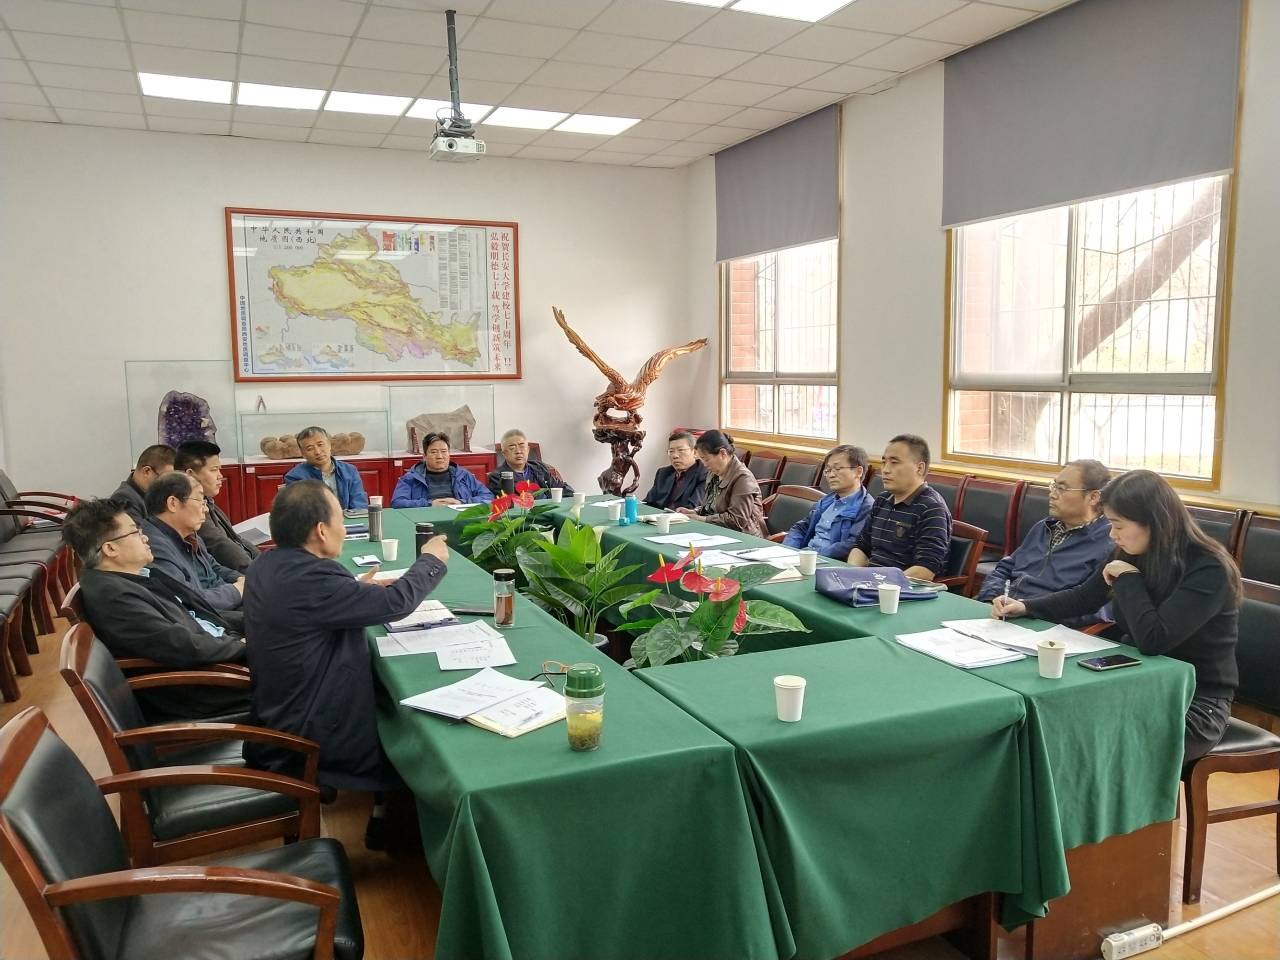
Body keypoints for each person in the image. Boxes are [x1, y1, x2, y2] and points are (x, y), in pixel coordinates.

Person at [243, 479, 450, 848]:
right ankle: (397, 832)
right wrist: (430, 561)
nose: (344, 528)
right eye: (340, 519)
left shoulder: (266, 564)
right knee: (408, 734)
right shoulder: (314, 578)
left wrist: (354, 591)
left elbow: (311, 603)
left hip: (276, 709)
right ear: (321, 530)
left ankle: (386, 816)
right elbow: (395, 604)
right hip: (308, 725)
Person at [993, 470, 1241, 762]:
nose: (1112, 534)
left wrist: (1129, 579)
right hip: (1135, 680)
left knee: (1098, 748)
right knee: (1059, 723)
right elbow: (1084, 597)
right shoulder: (1132, 551)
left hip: (1195, 701)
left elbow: (1154, 639)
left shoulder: (1208, 567)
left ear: (1153, 522)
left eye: (1118, 525)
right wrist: (1026, 606)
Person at [62, 498, 248, 722]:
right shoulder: (115, 597)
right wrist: (244, 646)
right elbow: (181, 645)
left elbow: (198, 615)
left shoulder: (136, 575)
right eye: (135, 532)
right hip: (205, 685)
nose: (146, 537)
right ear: (110, 549)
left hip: (218, 656)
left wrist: (259, 624)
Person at [977, 459, 1114, 625]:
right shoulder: (1044, 527)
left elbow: (1095, 608)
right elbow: (1005, 568)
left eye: (1062, 488)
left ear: (1093, 497)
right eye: (1053, 486)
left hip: (1044, 624)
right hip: (1004, 613)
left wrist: (1028, 610)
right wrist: (991, 597)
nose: (1052, 494)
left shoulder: (1110, 542)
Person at [847, 434, 950, 581]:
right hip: (870, 581)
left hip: (900, 588)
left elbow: (926, 569)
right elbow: (861, 546)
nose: (885, 470)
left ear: (919, 468)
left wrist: (881, 583)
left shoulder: (932, 508)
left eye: (894, 463)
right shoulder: (882, 500)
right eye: (884, 462)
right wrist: (853, 574)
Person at [143, 472, 245, 611]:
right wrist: (236, 590)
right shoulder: (153, 546)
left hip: (225, 603)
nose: (206, 509)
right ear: (173, 503)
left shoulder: (190, 535)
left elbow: (215, 568)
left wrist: (246, 582)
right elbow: (190, 600)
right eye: (200, 500)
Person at [176, 440, 260, 572]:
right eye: (214, 470)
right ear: (190, 474)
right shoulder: (190, 510)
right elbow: (220, 545)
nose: (220, 476)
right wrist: (258, 572)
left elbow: (236, 539)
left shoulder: (207, 501)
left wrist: (262, 561)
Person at [782, 445, 874, 559]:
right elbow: (801, 527)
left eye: (837, 469)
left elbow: (853, 544)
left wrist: (812, 556)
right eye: (828, 470)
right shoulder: (826, 501)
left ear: (858, 471)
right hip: (804, 557)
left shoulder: (867, 507)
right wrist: (788, 551)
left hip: (828, 562)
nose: (831, 475)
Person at [676, 430, 767, 538]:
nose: (704, 464)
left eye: (706, 459)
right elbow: (712, 506)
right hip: (716, 533)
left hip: (744, 538)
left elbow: (737, 520)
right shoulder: (714, 473)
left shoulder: (743, 478)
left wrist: (701, 519)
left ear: (723, 453)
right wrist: (694, 512)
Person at [391, 432, 493, 507]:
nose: (439, 456)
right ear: (424, 456)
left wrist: (462, 502)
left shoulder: (463, 475)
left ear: (449, 454)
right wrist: (430, 504)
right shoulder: (411, 478)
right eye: (434, 452)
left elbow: (488, 496)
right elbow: (397, 503)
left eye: (444, 451)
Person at [282, 426, 369, 510]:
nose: (317, 452)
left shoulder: (350, 471)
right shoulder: (295, 477)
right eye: (310, 448)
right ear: (303, 453)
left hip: (348, 519)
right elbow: (301, 511)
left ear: (329, 445)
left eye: (320, 445)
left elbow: (359, 505)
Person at [486, 429, 574, 496]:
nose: (518, 451)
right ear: (504, 453)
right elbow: (511, 503)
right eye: (512, 448)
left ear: (528, 450)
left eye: (522, 446)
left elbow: (561, 488)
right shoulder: (497, 477)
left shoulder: (540, 467)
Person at [642, 431, 708, 511]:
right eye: (671, 451)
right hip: (657, 517)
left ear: (695, 452)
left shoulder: (704, 474)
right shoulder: (663, 473)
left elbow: (693, 507)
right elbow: (648, 503)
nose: (675, 456)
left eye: (681, 450)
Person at [110, 444, 175, 526]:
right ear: (146, 471)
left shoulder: (151, 495)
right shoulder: (123, 499)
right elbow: (143, 533)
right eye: (165, 480)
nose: (168, 487)